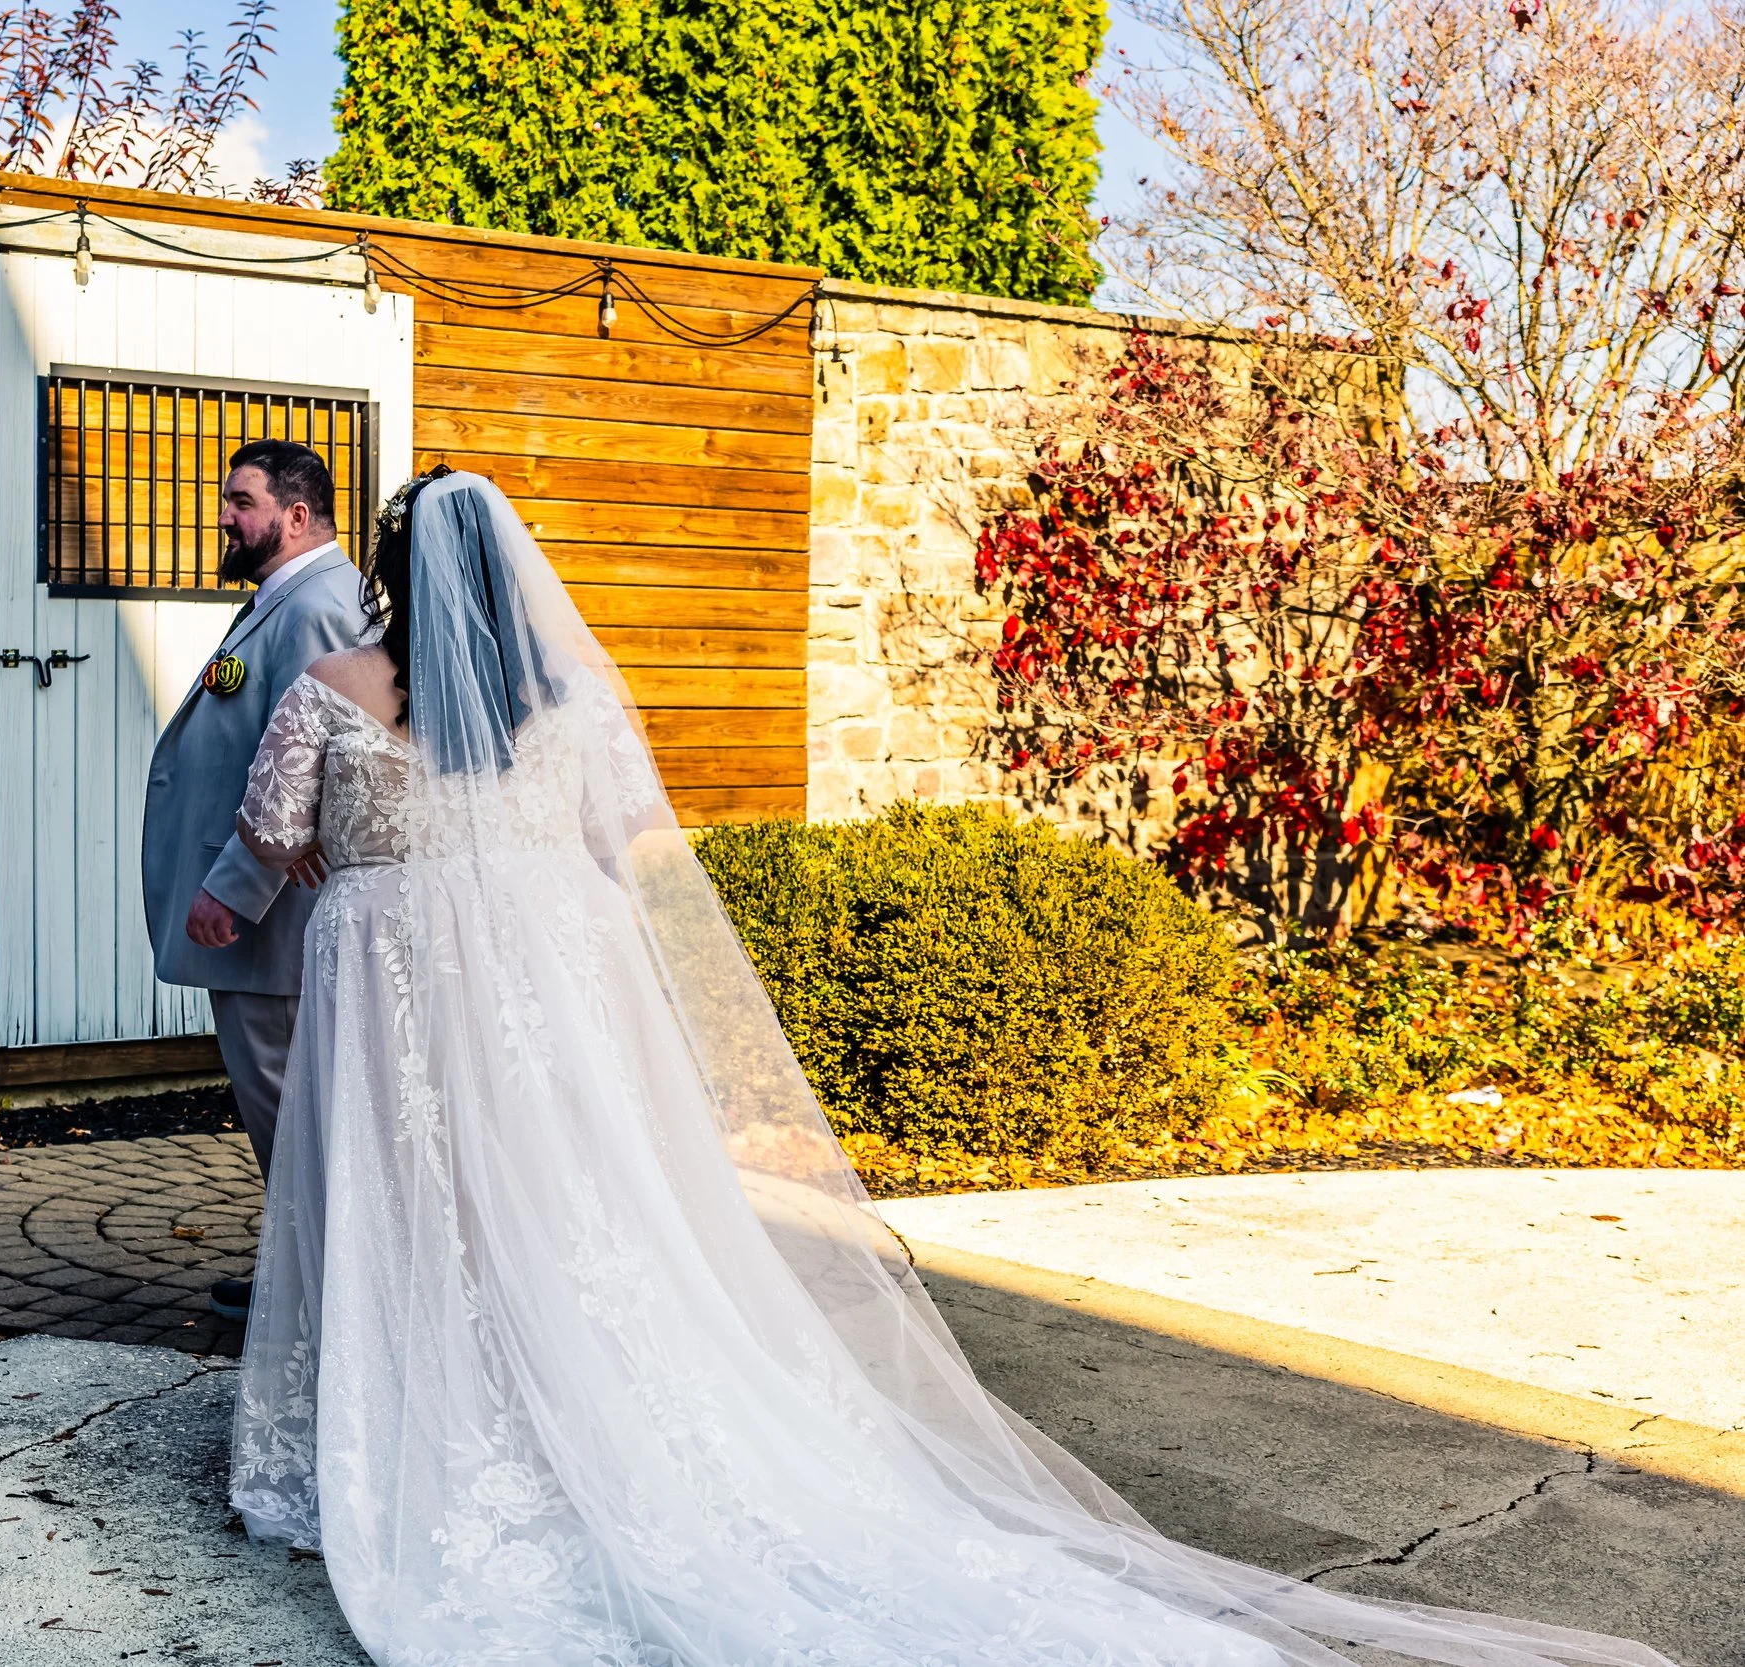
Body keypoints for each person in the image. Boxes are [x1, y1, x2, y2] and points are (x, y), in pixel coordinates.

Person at [222, 467, 1674, 1667]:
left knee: (415, 1204)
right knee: (575, 1210)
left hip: (397, 985)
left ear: (396, 563)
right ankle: (574, 1416)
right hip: (546, 984)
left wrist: (394, 864)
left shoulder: (333, 682)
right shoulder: (566, 703)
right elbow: (614, 842)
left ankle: (421, 1429)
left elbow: (281, 839)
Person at [140, 438, 367, 1321]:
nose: (225, 517)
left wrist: (232, 890)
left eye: (241, 501)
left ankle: (314, 1293)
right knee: (284, 1110)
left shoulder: (315, 608)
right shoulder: (283, 599)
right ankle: (294, 1267)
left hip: (271, 921)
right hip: (263, 917)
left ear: (296, 515)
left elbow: (308, 769)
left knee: (288, 1109)